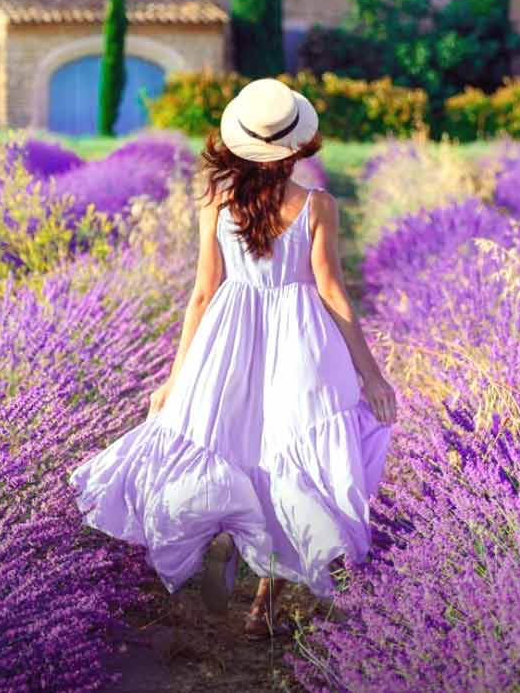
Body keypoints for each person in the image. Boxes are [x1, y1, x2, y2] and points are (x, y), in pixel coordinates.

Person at [69, 77, 396, 641]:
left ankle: (225, 532)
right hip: (300, 340)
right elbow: (333, 292)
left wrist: (175, 379)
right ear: (297, 145)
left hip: (228, 335)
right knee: (286, 453)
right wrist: (371, 373)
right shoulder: (317, 205)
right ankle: (263, 598)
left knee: (227, 441)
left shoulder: (216, 203)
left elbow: (201, 294)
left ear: (239, 142)